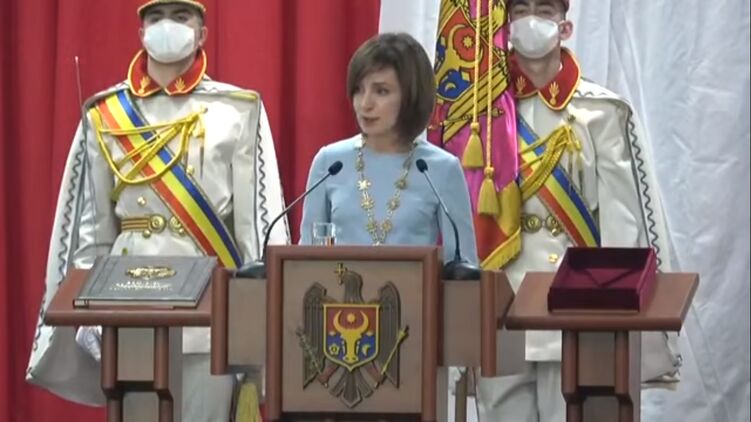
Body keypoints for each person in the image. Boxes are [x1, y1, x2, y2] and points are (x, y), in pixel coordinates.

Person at [25, 1, 288, 420]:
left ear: (202, 34)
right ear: (141, 32)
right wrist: (89, 314)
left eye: (181, 17)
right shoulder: (104, 114)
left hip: (211, 317)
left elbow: (256, 232)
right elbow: (92, 232)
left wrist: (254, 322)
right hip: (129, 310)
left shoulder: (237, 111)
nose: (168, 25)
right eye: (156, 17)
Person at [470, 0, 681, 421]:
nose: (532, 20)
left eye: (544, 10)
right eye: (520, 10)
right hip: (499, 298)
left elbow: (623, 224)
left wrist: (617, 310)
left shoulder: (600, 111)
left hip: (573, 302)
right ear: (505, 26)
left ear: (565, 27)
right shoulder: (478, 113)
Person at [299, 32, 478, 268]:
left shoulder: (440, 169)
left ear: (411, 96)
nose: (365, 104)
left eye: (381, 91)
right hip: (340, 291)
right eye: (359, 90)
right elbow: (304, 262)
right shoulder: (330, 163)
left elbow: (463, 269)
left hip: (416, 292)